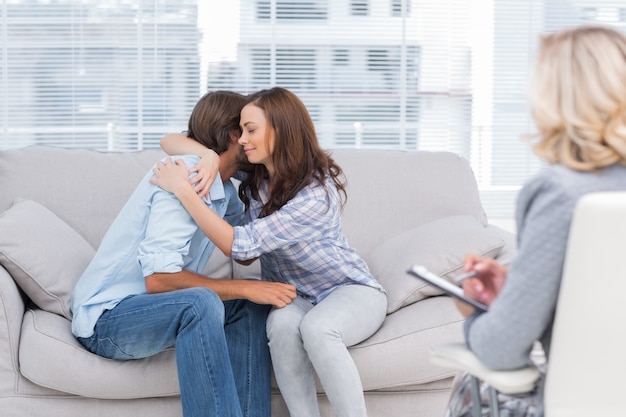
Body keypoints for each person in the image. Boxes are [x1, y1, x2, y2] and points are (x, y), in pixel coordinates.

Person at [151, 86, 388, 417]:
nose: (243, 140)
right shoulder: (259, 171)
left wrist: (184, 191)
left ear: (281, 130)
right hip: (295, 295)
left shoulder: (315, 196)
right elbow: (169, 140)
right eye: (242, 131)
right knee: (279, 326)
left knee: (317, 329)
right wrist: (206, 157)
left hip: (348, 290)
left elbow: (243, 245)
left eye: (251, 130)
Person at [70, 90, 297, 417]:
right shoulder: (183, 174)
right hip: (108, 320)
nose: (253, 139)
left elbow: (243, 251)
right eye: (248, 130)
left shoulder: (226, 190)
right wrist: (247, 286)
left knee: (248, 309)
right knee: (201, 301)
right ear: (235, 135)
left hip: (154, 308)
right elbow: (159, 280)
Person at [446, 25, 626, 417]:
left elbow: (503, 348)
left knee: (470, 383)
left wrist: (479, 313)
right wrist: (519, 290)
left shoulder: (560, 192)